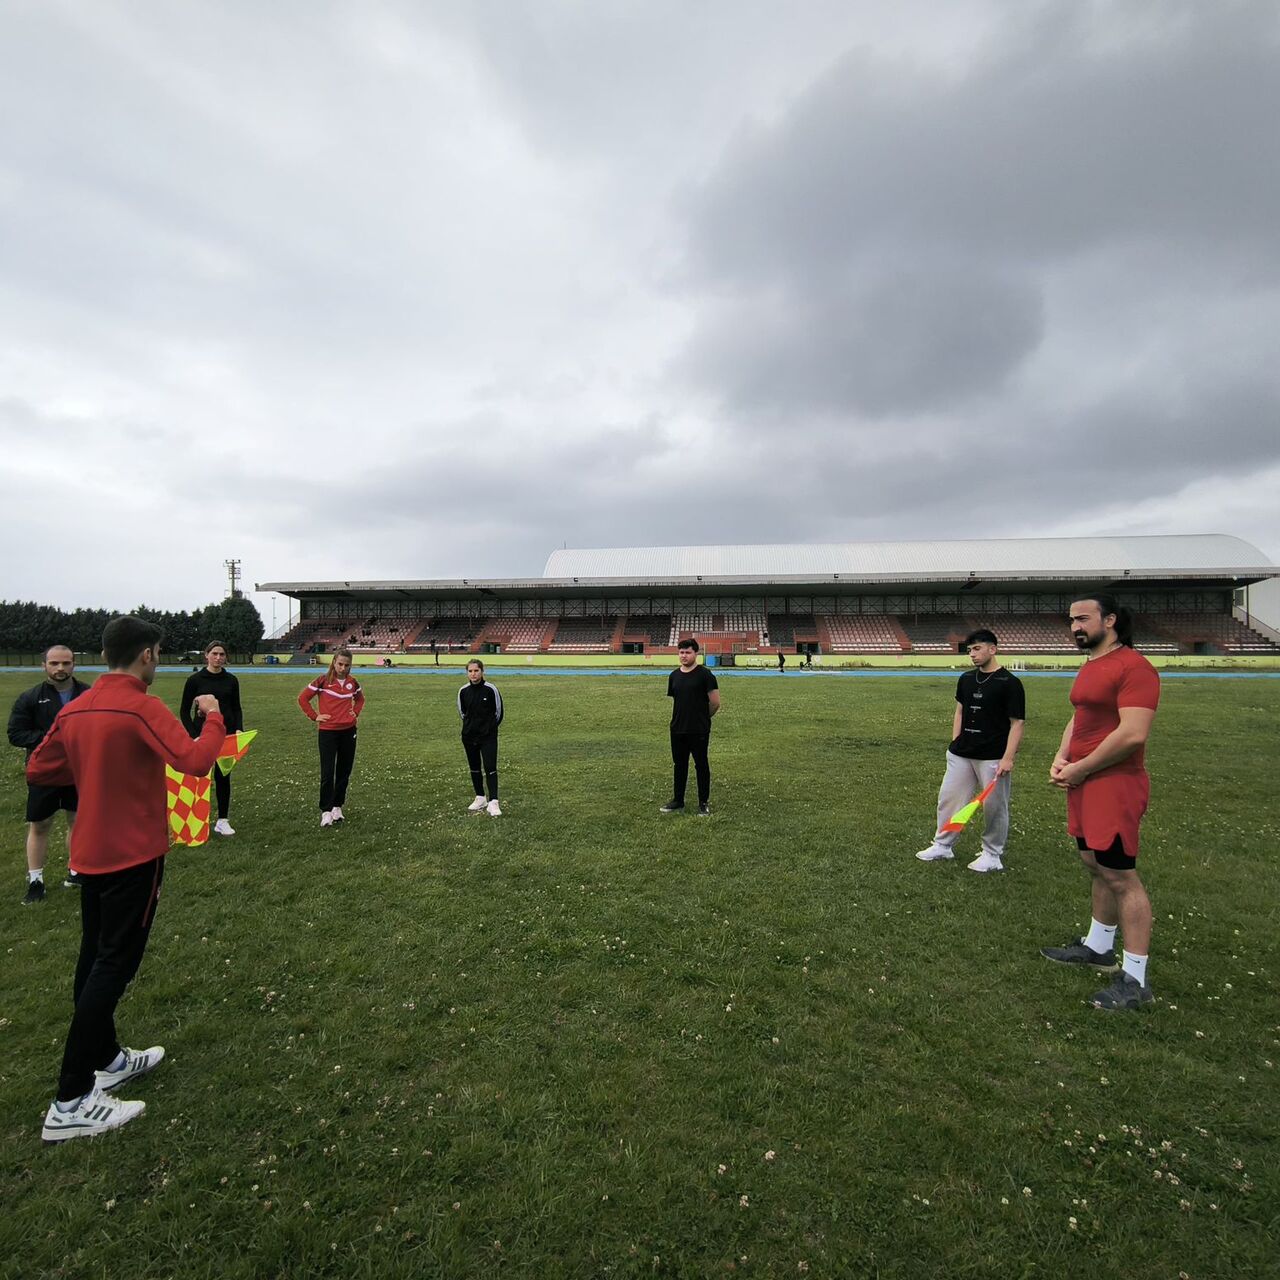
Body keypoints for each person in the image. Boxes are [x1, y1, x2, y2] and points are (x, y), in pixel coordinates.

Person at [29, 615, 225, 1142]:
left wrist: (98, 769)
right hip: (133, 855)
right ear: (146, 655)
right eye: (157, 653)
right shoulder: (141, 704)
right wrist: (213, 716)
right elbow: (196, 762)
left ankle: (109, 1058)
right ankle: (70, 1098)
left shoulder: (79, 705)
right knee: (114, 964)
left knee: (94, 956)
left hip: (89, 851)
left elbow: (41, 770)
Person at [1042, 595, 1161, 1011]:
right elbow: (1080, 716)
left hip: (1114, 782)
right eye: (1071, 619)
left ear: (1110, 620)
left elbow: (1133, 734)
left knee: (1121, 876)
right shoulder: (1093, 665)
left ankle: (1136, 979)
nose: (1074, 626)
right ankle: (1098, 947)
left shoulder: (1135, 668)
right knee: (1094, 864)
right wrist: (1063, 756)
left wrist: (1083, 767)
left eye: (1083, 618)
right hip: (1085, 778)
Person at [915, 629, 1025, 873]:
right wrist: (956, 742)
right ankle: (943, 845)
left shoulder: (1010, 683)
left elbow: (1017, 723)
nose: (972, 655)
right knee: (949, 800)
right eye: (969, 650)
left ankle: (992, 854)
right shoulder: (965, 679)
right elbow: (960, 712)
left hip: (993, 756)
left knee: (994, 807)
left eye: (977, 649)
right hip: (961, 754)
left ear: (992, 649)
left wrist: (1008, 758)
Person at [8, 645, 91, 903]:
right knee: (40, 825)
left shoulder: (88, 693)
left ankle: (75, 870)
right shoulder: (30, 697)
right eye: (54, 663)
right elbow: (16, 733)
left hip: (78, 771)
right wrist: (51, 738)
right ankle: (36, 880)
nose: (60, 669)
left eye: (66, 663)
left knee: (76, 821)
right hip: (44, 772)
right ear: (44, 665)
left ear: (73, 665)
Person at [180, 641, 243, 837]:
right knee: (199, 778)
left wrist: (239, 729)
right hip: (203, 736)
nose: (218, 658)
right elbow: (183, 711)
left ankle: (223, 820)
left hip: (227, 735)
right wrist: (194, 734)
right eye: (214, 654)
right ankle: (197, 820)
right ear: (206, 655)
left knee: (223, 777)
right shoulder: (194, 680)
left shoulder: (232, 680)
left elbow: (236, 707)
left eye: (222, 654)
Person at [298, 648, 364, 827]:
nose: (343, 668)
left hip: (349, 731)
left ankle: (337, 807)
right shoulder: (322, 681)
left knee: (344, 771)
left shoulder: (353, 683)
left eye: (347, 665)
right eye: (340, 664)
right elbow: (303, 698)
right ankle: (326, 811)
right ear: (334, 662)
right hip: (327, 732)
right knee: (328, 772)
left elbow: (360, 700)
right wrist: (315, 716)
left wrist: (354, 712)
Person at [660, 638, 721, 816]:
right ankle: (678, 800)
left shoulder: (705, 675)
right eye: (681, 652)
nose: (684, 655)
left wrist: (702, 717)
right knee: (679, 765)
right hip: (678, 728)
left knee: (701, 765)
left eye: (688, 652)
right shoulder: (674, 676)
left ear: (696, 654)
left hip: (699, 729)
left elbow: (715, 703)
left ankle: (703, 803)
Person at [458, 658, 504, 817]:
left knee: (490, 767)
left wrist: (488, 729)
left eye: (476, 670)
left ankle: (493, 802)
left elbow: (499, 713)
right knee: (475, 768)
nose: (473, 674)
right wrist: (471, 727)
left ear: (482, 671)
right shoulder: (463, 691)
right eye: (470, 671)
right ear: (467, 673)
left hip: (488, 737)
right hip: (469, 737)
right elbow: (463, 713)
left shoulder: (491, 689)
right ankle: (480, 798)